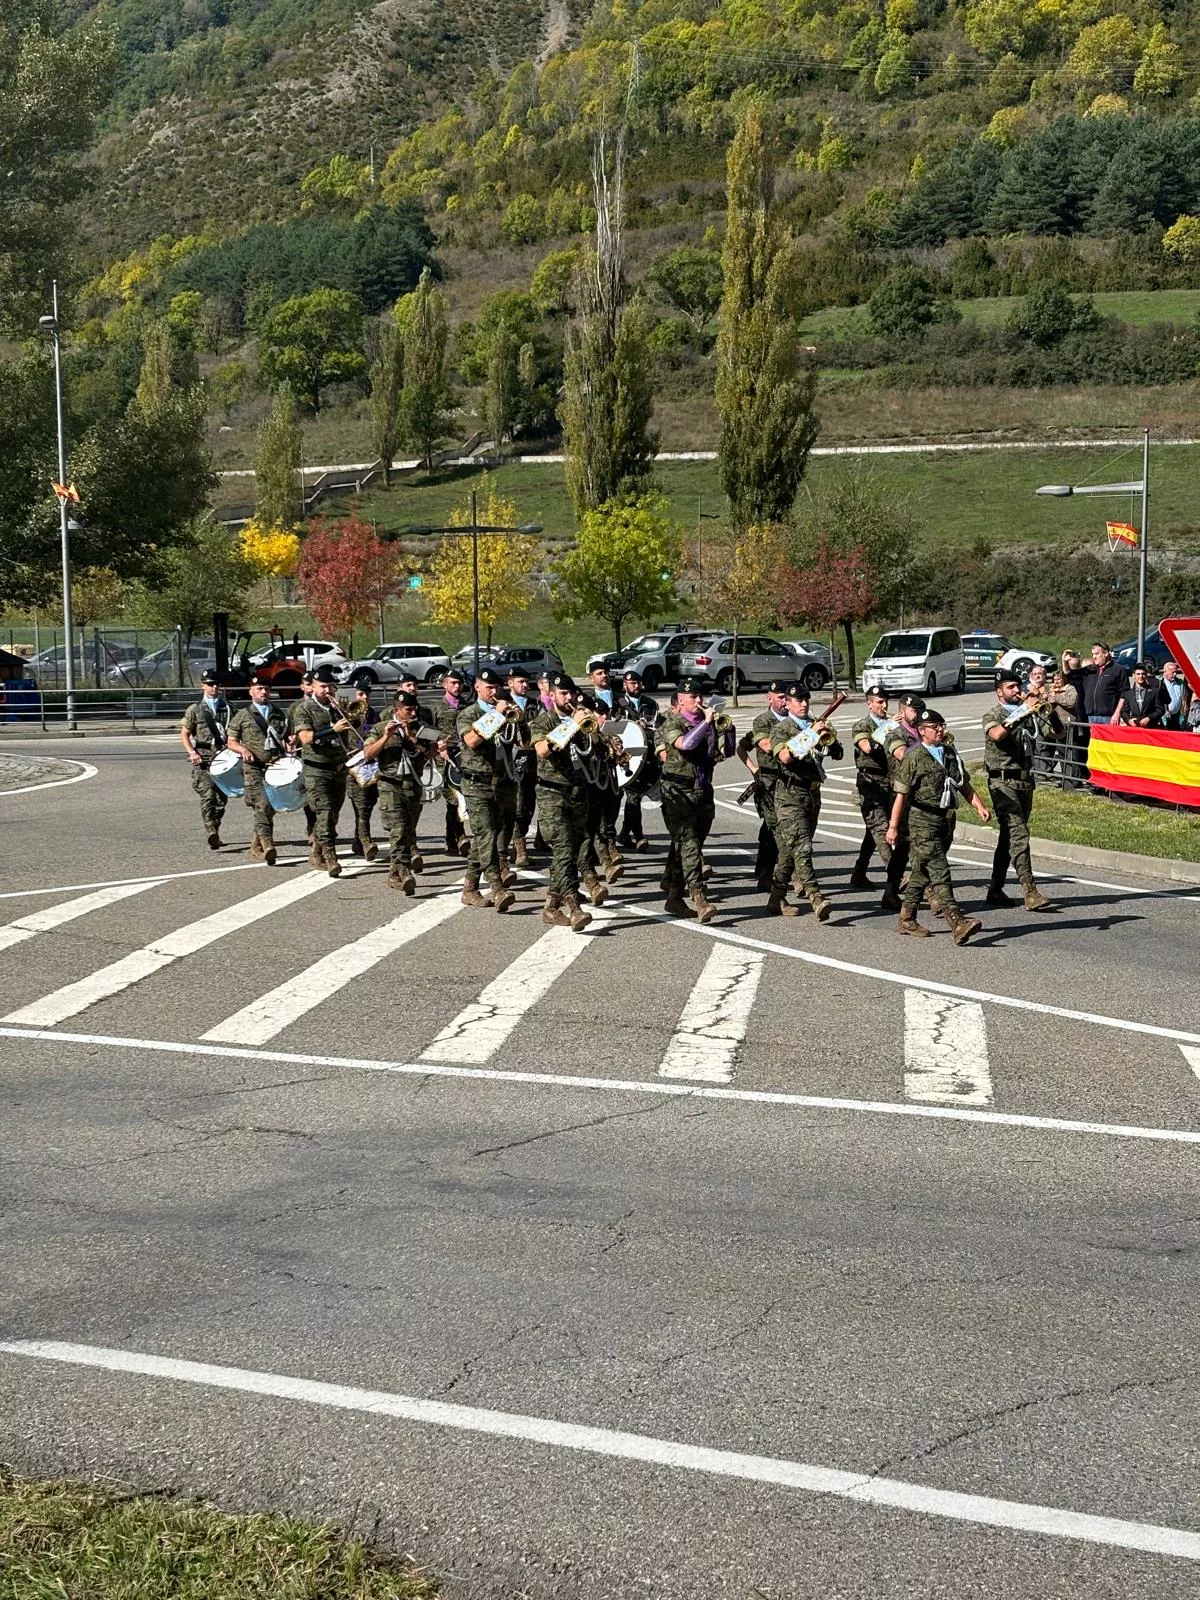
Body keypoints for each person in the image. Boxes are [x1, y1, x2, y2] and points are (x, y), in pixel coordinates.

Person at [888, 707, 990, 943]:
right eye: (934, 727)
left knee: (922, 871)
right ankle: (957, 922)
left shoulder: (949, 752)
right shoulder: (914, 756)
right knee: (940, 870)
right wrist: (893, 827)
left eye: (941, 726)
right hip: (922, 820)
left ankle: (906, 918)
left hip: (944, 819)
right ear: (922, 731)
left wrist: (979, 805)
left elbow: (962, 783)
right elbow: (901, 794)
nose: (940, 730)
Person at [655, 676, 734, 922]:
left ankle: (674, 898)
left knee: (692, 845)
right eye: (692, 697)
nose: (698, 700)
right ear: (680, 701)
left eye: (700, 696)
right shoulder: (672, 722)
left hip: (702, 789)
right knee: (688, 842)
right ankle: (699, 897)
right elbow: (686, 744)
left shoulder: (707, 723)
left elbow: (726, 753)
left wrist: (728, 731)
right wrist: (707, 723)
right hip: (678, 792)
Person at [528, 673, 600, 931]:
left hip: (577, 793)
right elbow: (542, 750)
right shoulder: (544, 720)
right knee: (563, 850)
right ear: (552, 696)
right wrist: (571, 726)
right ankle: (575, 907)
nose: (568, 698)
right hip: (552, 794)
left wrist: (594, 730)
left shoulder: (580, 718)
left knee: (572, 851)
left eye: (571, 693)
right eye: (563, 694)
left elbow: (595, 750)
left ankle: (551, 906)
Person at [768, 682, 843, 921]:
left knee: (790, 851)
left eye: (806, 700)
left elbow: (838, 753)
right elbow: (784, 757)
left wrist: (828, 737)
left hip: (812, 795)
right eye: (798, 701)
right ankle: (815, 896)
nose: (803, 704)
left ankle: (776, 897)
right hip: (789, 796)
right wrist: (810, 735)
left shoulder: (816, 724)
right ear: (788, 704)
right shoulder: (781, 729)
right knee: (803, 848)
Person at [981, 669, 1052, 911]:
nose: (1016, 691)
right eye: (1010, 687)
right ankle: (1030, 892)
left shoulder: (1029, 712)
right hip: (1002, 783)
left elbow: (1057, 733)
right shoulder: (993, 714)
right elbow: (997, 734)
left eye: (1017, 686)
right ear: (999, 692)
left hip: (1024, 782)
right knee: (1019, 834)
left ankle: (995, 889)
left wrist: (1046, 708)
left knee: (1008, 837)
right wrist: (1024, 711)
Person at [456, 665, 521, 911]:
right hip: (477, 784)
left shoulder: (506, 712)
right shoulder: (468, 714)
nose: (494, 692)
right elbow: (472, 741)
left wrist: (519, 719)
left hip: (502, 782)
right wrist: (497, 715)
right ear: (477, 687)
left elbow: (524, 743)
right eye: (489, 688)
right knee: (486, 835)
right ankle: (496, 887)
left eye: (496, 688)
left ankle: (469, 888)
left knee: (491, 837)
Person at [363, 689, 438, 892]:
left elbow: (430, 754)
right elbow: (368, 754)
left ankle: (394, 872)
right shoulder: (380, 728)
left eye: (414, 709)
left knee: (408, 831)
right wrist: (386, 737)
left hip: (413, 785)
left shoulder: (421, 728)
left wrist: (417, 739)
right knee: (398, 829)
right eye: (408, 710)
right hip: (390, 785)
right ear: (397, 709)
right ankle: (403, 871)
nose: (413, 713)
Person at [289, 664, 350, 875]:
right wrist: (333, 729)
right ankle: (331, 857)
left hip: (338, 768)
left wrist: (348, 717)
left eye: (330, 686)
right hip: (317, 769)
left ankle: (316, 848)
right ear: (313, 687)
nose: (327, 690)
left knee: (333, 814)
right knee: (324, 811)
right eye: (322, 686)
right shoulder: (304, 709)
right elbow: (305, 738)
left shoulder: (337, 708)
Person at [225, 673, 291, 864]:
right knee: (262, 804)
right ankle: (268, 845)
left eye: (266, 689)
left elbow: (286, 738)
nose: (264, 692)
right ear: (251, 691)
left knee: (270, 807)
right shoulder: (242, 715)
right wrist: (243, 749)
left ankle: (255, 845)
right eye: (259, 689)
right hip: (253, 767)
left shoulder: (279, 714)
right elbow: (231, 741)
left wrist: (290, 743)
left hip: (275, 767)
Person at [736, 680, 789, 894]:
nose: (785, 701)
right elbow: (742, 748)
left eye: (787, 697)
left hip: (791, 782)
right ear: (770, 697)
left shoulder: (794, 719)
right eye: (780, 697)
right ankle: (768, 875)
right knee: (775, 828)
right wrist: (753, 769)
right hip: (769, 782)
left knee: (773, 829)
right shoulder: (763, 721)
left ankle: (765, 870)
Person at [849, 687, 894, 893]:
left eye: (885, 701)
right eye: (879, 702)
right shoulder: (862, 725)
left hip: (890, 781)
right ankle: (895, 872)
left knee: (873, 830)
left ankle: (859, 872)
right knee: (880, 827)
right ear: (869, 704)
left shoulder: (892, 723)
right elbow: (867, 747)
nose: (884, 706)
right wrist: (889, 728)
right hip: (870, 781)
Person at [179, 670, 230, 849]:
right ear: (203, 686)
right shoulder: (195, 710)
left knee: (221, 800)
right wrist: (192, 752)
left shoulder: (228, 708)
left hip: (223, 759)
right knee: (208, 795)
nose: (214, 687)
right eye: (210, 684)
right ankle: (210, 830)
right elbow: (185, 734)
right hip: (203, 759)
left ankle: (215, 828)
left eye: (216, 684)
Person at [583, 664, 623, 879]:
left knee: (605, 821)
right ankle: (606, 863)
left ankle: (603, 859)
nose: (604, 718)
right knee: (595, 826)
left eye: (605, 714)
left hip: (606, 783)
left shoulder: (607, 733)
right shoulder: (584, 733)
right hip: (588, 786)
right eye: (600, 714)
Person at [615, 667, 659, 853]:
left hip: (646, 753)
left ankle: (625, 833)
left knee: (636, 796)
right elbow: (615, 727)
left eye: (638, 683)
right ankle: (639, 836)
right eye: (632, 683)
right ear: (625, 684)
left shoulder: (650, 704)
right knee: (633, 795)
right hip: (626, 754)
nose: (636, 686)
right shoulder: (618, 703)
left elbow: (657, 725)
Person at [435, 665, 471, 859]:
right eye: (453, 683)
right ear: (444, 684)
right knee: (452, 798)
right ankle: (460, 836)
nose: (457, 687)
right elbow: (428, 731)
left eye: (459, 683)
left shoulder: (467, 706)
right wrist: (437, 744)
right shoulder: (436, 707)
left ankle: (451, 839)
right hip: (445, 758)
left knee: (462, 795)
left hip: (464, 756)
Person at [505, 664, 538, 868]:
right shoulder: (503, 703)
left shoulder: (535, 705)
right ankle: (519, 847)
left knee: (528, 804)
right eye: (520, 682)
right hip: (510, 760)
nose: (525, 685)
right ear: (510, 683)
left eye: (526, 682)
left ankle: (519, 840)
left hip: (532, 759)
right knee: (516, 804)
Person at [344, 683, 380, 860]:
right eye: (361, 694)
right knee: (362, 805)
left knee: (369, 803)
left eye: (367, 694)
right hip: (354, 767)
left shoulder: (375, 715)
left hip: (372, 765)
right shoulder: (346, 715)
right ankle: (366, 842)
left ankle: (357, 842)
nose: (365, 698)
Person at [290, 670, 318, 847]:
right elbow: (288, 730)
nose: (310, 688)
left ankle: (318, 829)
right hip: (303, 755)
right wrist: (291, 739)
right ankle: (312, 826)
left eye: (312, 684)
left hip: (322, 755)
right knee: (308, 795)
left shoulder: (325, 704)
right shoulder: (295, 707)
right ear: (302, 686)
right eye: (307, 684)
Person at [1082, 642, 1129, 725]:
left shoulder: (1118, 670)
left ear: (1106, 653)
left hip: (1109, 717)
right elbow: (1071, 675)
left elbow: (1125, 694)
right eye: (1093, 654)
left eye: (1097, 653)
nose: (1094, 657)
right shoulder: (1091, 670)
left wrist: (1117, 713)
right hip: (1090, 716)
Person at [1122, 661, 1161, 728]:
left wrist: (1149, 718)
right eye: (1138, 674)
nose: (1141, 676)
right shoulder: (1128, 694)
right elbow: (1124, 712)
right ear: (1133, 675)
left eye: (1143, 674)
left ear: (1146, 675)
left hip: (1151, 727)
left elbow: (1160, 710)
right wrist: (1129, 720)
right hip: (1135, 728)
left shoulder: (1155, 691)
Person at [1157, 660, 1188, 730]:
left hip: (1176, 717)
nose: (1175, 674)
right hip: (1163, 717)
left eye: (1176, 672)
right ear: (1165, 672)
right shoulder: (1159, 683)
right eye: (1172, 672)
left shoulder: (1179, 683)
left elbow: (1183, 698)